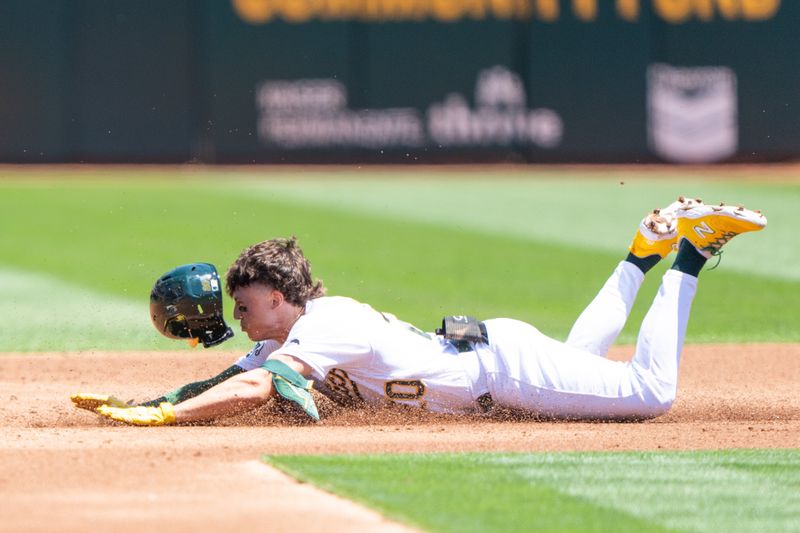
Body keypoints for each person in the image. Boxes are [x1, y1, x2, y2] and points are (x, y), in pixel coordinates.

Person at [71, 197, 767, 425]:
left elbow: (254, 387)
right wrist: (151, 400)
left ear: (281, 298)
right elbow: (228, 379)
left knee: (651, 393)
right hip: (494, 355)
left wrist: (166, 418)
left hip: (506, 371)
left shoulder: (327, 320)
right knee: (581, 365)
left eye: (248, 305)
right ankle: (642, 252)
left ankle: (690, 254)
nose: (242, 318)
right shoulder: (289, 339)